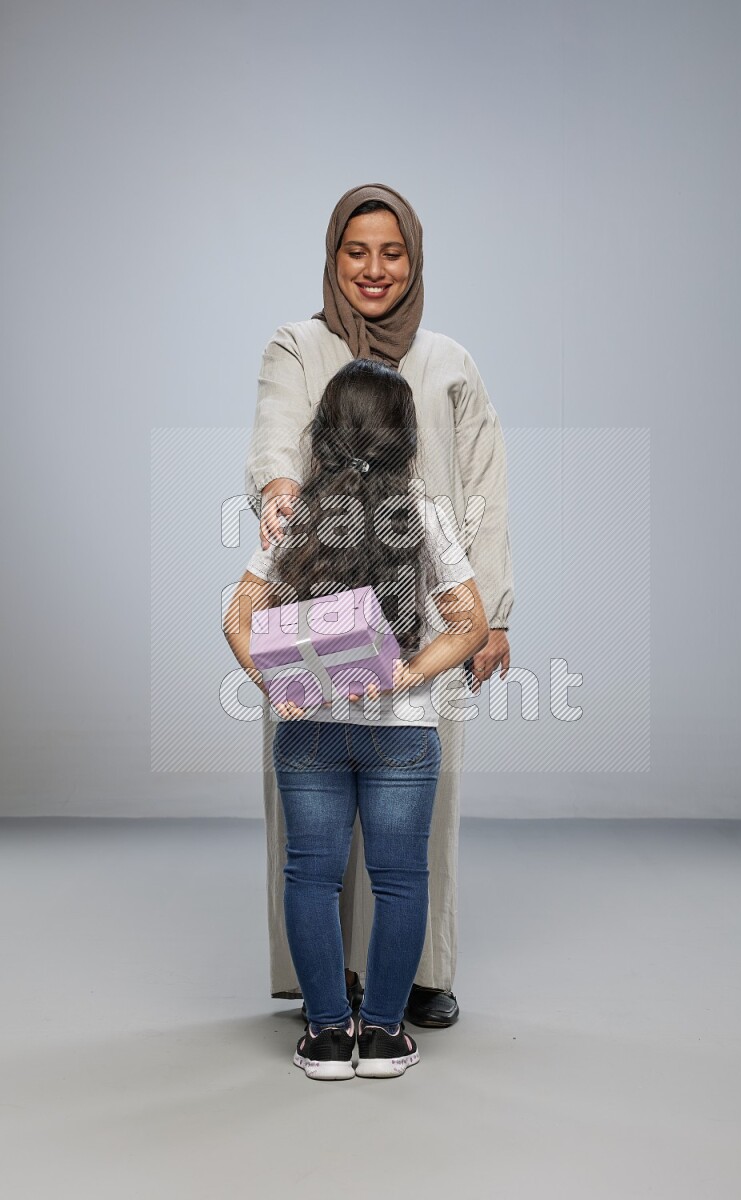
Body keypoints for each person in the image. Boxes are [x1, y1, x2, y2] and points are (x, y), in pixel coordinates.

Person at [244, 183, 513, 1028]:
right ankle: (323, 983)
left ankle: (418, 974)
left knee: (420, 814)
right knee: (312, 829)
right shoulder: (298, 344)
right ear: (332, 259)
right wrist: (281, 489)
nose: (374, 269)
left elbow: (485, 488)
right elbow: (277, 433)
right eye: (355, 252)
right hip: (316, 613)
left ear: (415, 260)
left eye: (391, 252)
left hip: (422, 619)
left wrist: (491, 613)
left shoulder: (450, 362)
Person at [225, 358, 489, 1078]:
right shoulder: (426, 514)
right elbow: (470, 625)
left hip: (307, 727)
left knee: (311, 877)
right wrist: (411, 671)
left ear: (323, 435)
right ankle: (380, 1037)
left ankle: (323, 1035)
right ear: (405, 439)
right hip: (402, 732)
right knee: (402, 878)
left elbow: (236, 615)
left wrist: (275, 680)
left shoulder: (296, 517)